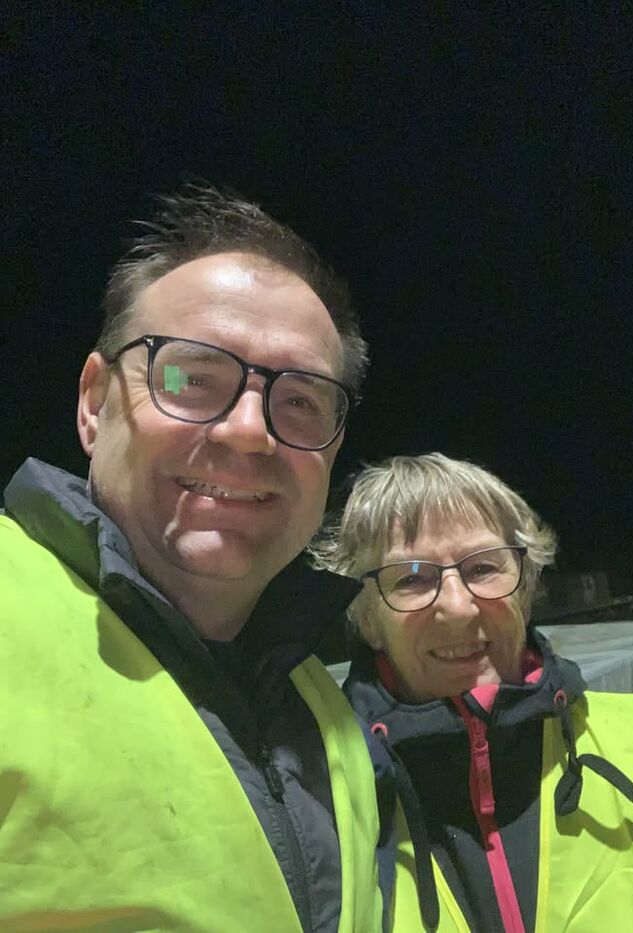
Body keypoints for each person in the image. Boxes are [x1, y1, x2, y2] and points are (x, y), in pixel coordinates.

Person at [0, 184, 384, 931]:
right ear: (94, 402)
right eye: (190, 378)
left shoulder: (322, 707)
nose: (249, 431)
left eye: (300, 399)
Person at [312, 452, 633, 932]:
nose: (459, 607)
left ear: (526, 587)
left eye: (482, 569)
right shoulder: (320, 798)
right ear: (367, 620)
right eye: (411, 578)